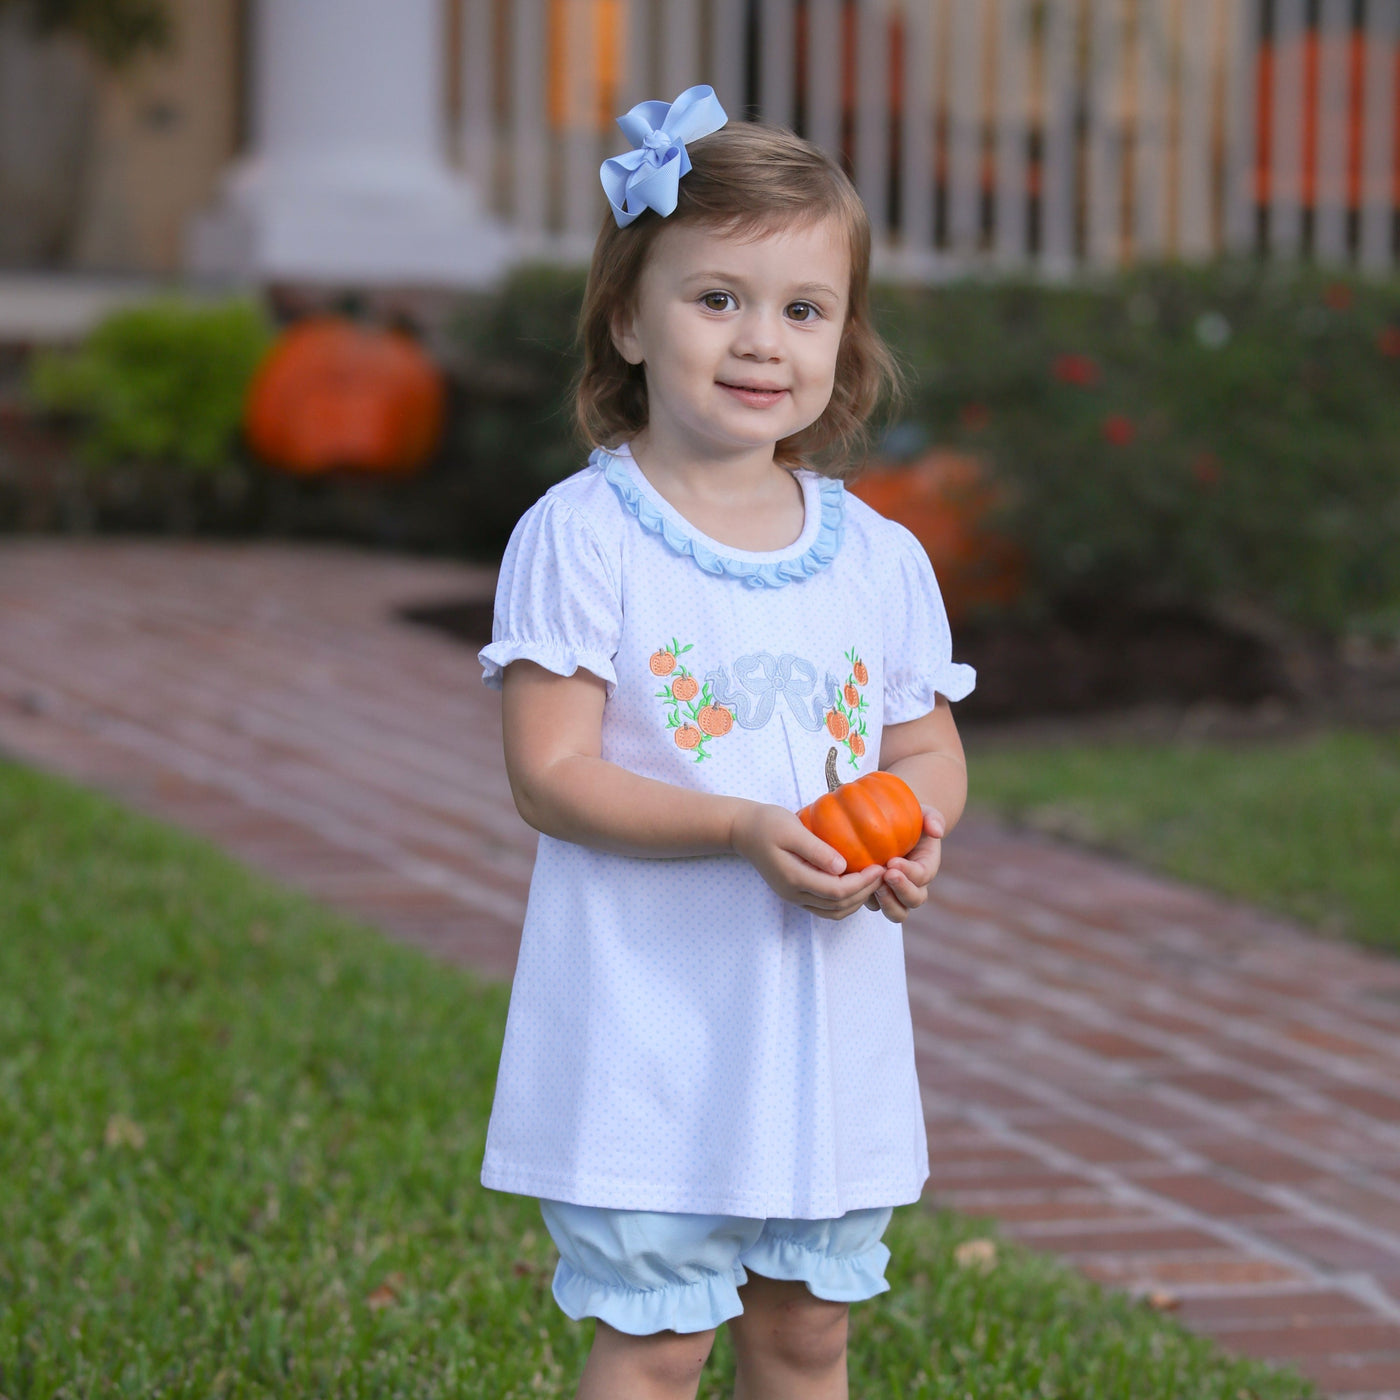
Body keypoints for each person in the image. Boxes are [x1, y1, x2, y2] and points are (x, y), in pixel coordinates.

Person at [478, 84, 975, 1400]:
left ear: (842, 339)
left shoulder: (874, 555)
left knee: (807, 1332)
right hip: (657, 1020)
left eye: (803, 310)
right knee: (658, 1340)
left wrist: (914, 829)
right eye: (718, 300)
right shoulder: (584, 540)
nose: (764, 343)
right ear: (629, 318)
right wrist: (742, 828)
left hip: (822, 1026)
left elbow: (927, 748)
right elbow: (552, 775)